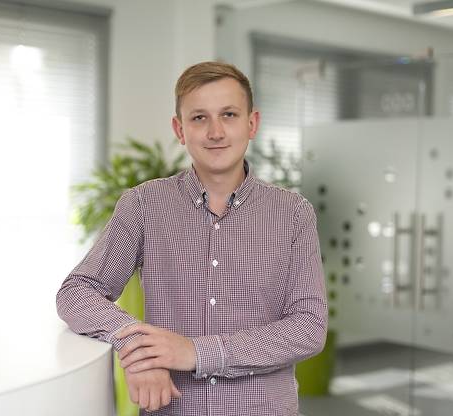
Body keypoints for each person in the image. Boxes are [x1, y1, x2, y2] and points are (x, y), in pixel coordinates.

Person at [56, 61, 327, 415]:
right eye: (199, 118)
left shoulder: (293, 214)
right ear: (179, 129)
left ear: (252, 124)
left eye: (229, 114)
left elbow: (308, 327)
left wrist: (197, 353)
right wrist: (140, 346)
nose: (215, 131)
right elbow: (77, 292)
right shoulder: (143, 205)